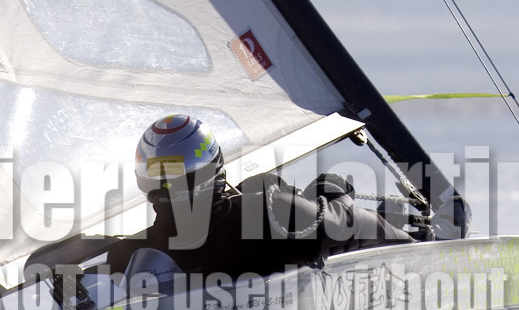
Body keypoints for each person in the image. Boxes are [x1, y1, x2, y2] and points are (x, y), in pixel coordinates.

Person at [104, 114, 413, 281]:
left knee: (329, 190)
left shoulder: (274, 216)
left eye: (174, 173)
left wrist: (420, 250)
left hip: (308, 209)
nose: (165, 185)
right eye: (156, 173)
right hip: (267, 197)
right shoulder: (128, 255)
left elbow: (361, 226)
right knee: (262, 183)